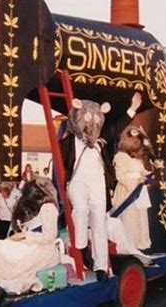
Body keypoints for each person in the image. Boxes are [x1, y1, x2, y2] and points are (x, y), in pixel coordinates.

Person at [59, 92, 142, 282]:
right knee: (80, 209)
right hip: (78, 181)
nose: (91, 125)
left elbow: (116, 126)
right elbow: (59, 165)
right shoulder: (68, 142)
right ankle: (81, 248)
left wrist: (133, 108)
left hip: (98, 181)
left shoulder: (100, 140)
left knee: (99, 223)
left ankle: (100, 267)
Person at [0, 177, 60, 295]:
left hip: (42, 249)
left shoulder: (48, 207)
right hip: (33, 245)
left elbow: (49, 236)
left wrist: (24, 235)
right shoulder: (37, 208)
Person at [112, 126, 154, 251]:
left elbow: (142, 171)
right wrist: (137, 180)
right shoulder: (120, 157)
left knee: (138, 221)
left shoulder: (137, 159)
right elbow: (121, 176)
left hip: (139, 194)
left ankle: (137, 248)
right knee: (129, 220)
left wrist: (147, 175)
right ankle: (127, 249)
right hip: (127, 194)